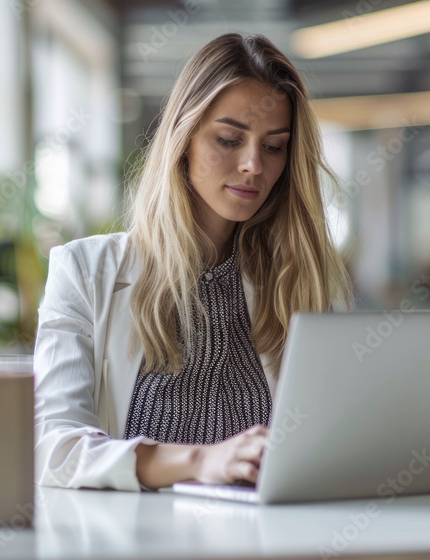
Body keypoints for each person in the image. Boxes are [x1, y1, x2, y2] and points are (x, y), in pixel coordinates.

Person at [33, 32, 354, 492]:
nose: (252, 165)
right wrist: (200, 461)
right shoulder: (84, 272)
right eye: (228, 139)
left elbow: (331, 444)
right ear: (182, 140)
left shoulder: (297, 282)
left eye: (274, 146)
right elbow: (52, 446)